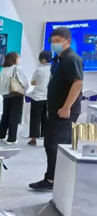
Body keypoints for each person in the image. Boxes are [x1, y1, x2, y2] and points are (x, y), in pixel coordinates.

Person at [30, 27, 83, 191]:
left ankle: (53, 179)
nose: (54, 44)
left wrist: (66, 107)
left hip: (64, 111)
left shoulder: (71, 59)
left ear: (68, 41)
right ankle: (54, 177)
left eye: (58, 41)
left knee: (54, 144)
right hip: (55, 109)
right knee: (53, 143)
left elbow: (78, 83)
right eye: (52, 41)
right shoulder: (58, 60)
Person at [0, 52, 29, 144]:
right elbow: (24, 82)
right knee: (14, 116)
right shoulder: (17, 68)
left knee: (5, 115)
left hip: (5, 95)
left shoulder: (3, 69)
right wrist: (24, 89)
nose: (19, 59)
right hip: (16, 94)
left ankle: (0, 135)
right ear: (14, 59)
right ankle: (11, 138)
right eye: (18, 57)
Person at [28, 50, 52, 146]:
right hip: (48, 98)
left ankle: (33, 139)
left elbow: (33, 82)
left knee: (35, 119)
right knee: (46, 118)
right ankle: (46, 138)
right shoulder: (54, 69)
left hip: (37, 97)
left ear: (43, 60)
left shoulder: (39, 70)